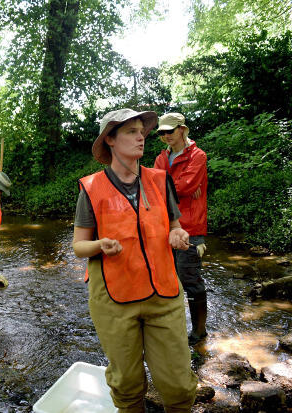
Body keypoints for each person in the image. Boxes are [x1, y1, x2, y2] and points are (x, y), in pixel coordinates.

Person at [72, 108, 197, 412]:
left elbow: (175, 225)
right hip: (113, 299)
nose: (141, 137)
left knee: (179, 385)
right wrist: (99, 245)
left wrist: (177, 234)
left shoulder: (160, 180)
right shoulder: (91, 188)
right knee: (126, 385)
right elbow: (79, 246)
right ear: (110, 140)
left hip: (163, 294)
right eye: (131, 131)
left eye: (142, 131)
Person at [153, 112, 208, 345]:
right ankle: (174, 329)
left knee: (189, 278)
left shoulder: (198, 156)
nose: (166, 135)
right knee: (167, 279)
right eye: (162, 132)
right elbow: (154, 186)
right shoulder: (161, 158)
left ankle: (199, 332)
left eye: (170, 131)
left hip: (191, 226)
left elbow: (185, 186)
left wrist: (170, 186)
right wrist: (176, 187)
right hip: (165, 226)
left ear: (182, 129)